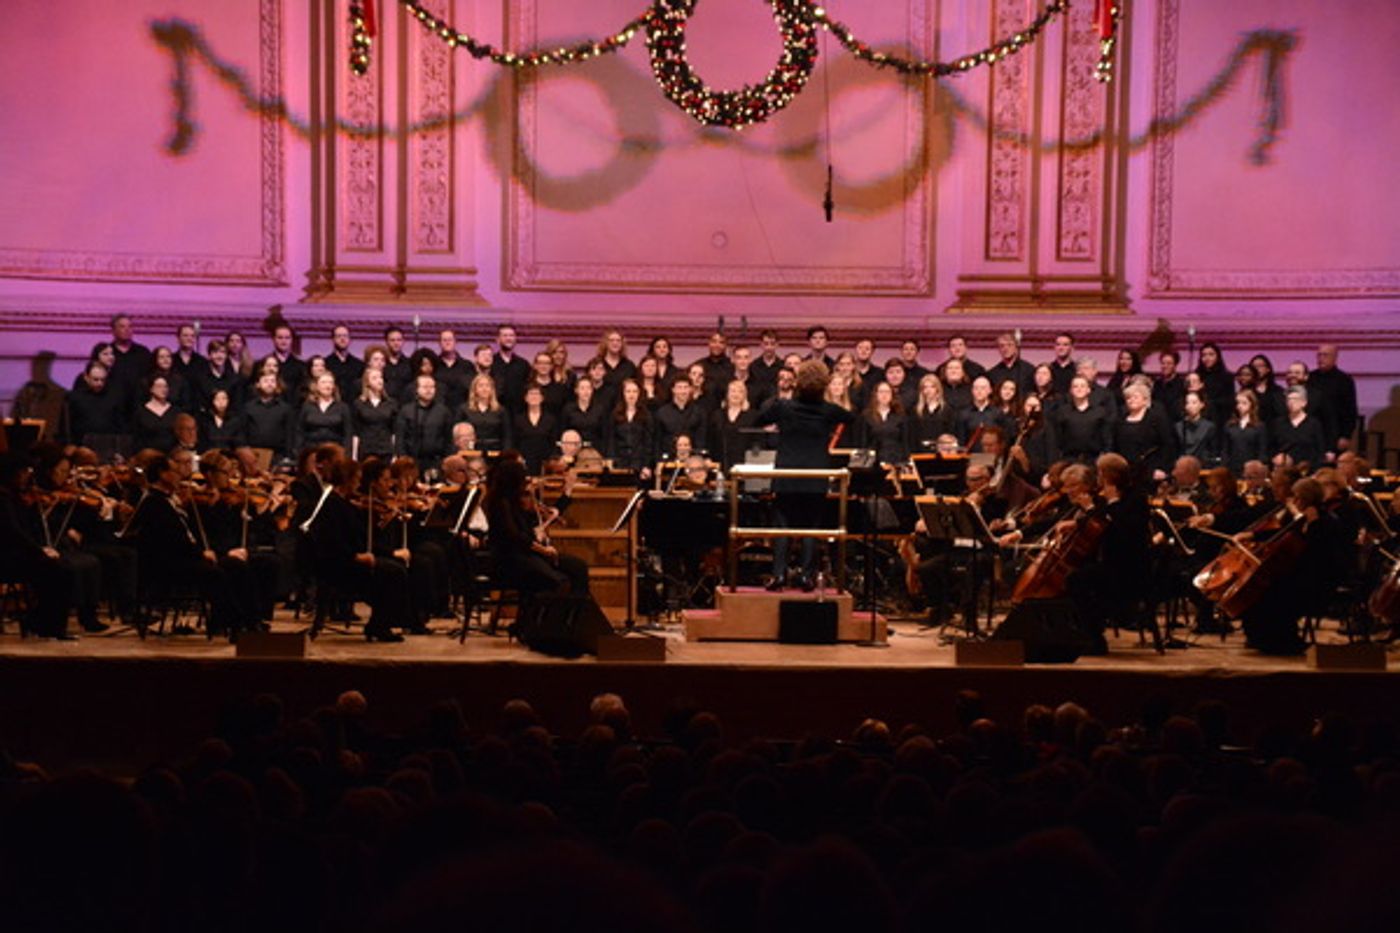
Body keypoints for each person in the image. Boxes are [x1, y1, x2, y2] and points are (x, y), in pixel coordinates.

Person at [753, 360, 855, 591]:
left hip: (788, 473)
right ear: (824, 384)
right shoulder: (828, 410)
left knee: (782, 526)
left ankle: (779, 575)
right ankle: (806, 576)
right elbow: (850, 418)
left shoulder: (784, 407)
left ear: (798, 382)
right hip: (814, 475)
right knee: (811, 527)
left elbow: (759, 419)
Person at [1239, 477, 1348, 655]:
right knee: (1266, 589)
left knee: (1276, 592)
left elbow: (1319, 550)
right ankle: (1264, 638)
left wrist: (1313, 523)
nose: (1294, 501)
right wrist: (1252, 535)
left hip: (1319, 580)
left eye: (1297, 498)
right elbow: (1281, 534)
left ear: (1306, 499)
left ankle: (1283, 640)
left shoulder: (1325, 520)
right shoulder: (1302, 519)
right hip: (1300, 576)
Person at [304, 457, 408, 642]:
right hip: (338, 565)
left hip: (348, 559)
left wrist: (385, 547)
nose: (360, 482)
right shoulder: (333, 505)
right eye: (357, 478)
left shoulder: (343, 503)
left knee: (394, 567)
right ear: (347, 479)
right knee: (394, 572)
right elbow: (332, 543)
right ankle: (380, 626)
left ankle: (381, 623)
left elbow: (360, 538)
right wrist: (357, 556)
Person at [483, 456, 589, 597]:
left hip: (528, 553)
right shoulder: (500, 503)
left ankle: (574, 616)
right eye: (523, 478)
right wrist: (544, 551)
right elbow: (516, 538)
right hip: (510, 560)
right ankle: (537, 618)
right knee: (558, 582)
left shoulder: (516, 501)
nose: (527, 482)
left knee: (578, 567)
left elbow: (530, 527)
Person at [395, 374, 453, 471]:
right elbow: (400, 438)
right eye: (425, 387)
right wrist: (403, 459)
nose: (429, 390)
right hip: (411, 462)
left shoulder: (443, 411)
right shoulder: (406, 411)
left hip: (437, 461)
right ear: (417, 389)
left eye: (432, 387)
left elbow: (448, 439)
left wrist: (446, 460)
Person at [1307, 343, 1358, 453]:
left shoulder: (1344, 380)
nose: (1321, 359)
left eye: (1325, 355)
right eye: (1319, 355)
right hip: (1312, 433)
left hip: (1334, 433)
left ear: (1335, 357)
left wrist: (1346, 435)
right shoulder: (1310, 378)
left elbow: (1350, 410)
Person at [66, 361, 125, 446]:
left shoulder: (115, 397)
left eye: (103, 380)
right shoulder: (75, 397)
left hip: (107, 445)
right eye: (95, 379)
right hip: (81, 446)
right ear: (86, 378)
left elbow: (120, 425)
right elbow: (67, 425)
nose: (99, 383)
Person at [1270, 386, 1329, 469]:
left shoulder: (1314, 424)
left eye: (1295, 399)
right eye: (1289, 399)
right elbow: (1272, 447)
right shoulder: (1278, 423)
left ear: (1304, 403)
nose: (1291, 402)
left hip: (1308, 469)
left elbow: (1320, 451)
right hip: (1284, 470)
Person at [244, 369, 295, 462]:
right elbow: (243, 432)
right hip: (254, 454)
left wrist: (287, 457)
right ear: (258, 384)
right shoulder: (248, 407)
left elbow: (289, 434)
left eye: (272, 381)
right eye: (266, 381)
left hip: (278, 455)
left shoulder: (285, 408)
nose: (269, 384)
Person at [607, 379, 654, 478]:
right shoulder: (615, 414)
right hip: (619, 462)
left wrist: (646, 465)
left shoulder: (646, 415)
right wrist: (610, 459)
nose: (631, 395)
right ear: (623, 393)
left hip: (639, 463)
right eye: (628, 391)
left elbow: (648, 442)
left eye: (634, 391)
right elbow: (611, 439)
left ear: (639, 393)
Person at [296, 372, 353, 454]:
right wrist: (299, 452)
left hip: (335, 451)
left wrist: (346, 453)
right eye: (324, 382)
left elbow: (348, 433)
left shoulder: (343, 407)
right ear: (317, 386)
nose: (327, 386)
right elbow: (300, 431)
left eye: (330, 382)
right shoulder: (307, 406)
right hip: (311, 450)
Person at [709, 380, 758, 471]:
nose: (736, 394)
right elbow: (711, 439)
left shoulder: (753, 416)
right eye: (733, 391)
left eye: (740, 391)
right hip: (720, 463)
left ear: (745, 395)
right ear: (727, 394)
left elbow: (757, 440)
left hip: (744, 464)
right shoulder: (717, 415)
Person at [352, 367, 398, 461]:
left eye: (381, 377)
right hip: (366, 450)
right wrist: (354, 455)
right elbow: (356, 432)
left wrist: (395, 454)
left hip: (386, 450)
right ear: (367, 382)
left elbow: (394, 431)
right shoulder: (359, 404)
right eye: (375, 378)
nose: (379, 381)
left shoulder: (391, 403)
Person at [655, 376, 706, 459]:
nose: (683, 391)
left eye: (686, 387)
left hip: (693, 462)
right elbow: (658, 440)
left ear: (690, 389)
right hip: (668, 461)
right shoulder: (662, 412)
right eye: (679, 387)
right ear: (673, 390)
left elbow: (701, 439)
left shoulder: (699, 412)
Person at [858, 381, 909, 465]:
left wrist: (907, 461)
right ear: (875, 394)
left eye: (887, 392)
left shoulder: (900, 415)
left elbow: (905, 441)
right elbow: (863, 442)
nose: (884, 395)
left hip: (896, 460)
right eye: (881, 392)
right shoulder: (866, 415)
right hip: (874, 461)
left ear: (892, 395)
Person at [460, 373, 511, 453]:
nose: (484, 389)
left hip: (496, 452)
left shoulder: (501, 410)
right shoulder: (464, 409)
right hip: (472, 451)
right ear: (475, 389)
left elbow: (507, 436)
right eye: (481, 386)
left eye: (487, 386)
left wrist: (505, 454)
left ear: (492, 389)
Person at [513, 385, 559, 474]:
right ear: (525, 398)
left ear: (542, 398)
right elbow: (515, 441)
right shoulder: (518, 419)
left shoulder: (551, 419)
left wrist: (551, 460)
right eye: (531, 394)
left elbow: (554, 441)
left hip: (545, 462)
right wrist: (518, 458)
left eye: (537, 394)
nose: (534, 397)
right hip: (524, 462)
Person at [909, 374, 959, 453]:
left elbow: (951, 434)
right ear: (922, 390)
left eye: (932, 387)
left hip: (942, 454)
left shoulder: (947, 410)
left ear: (938, 389)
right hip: (921, 453)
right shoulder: (916, 411)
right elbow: (912, 436)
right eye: (925, 387)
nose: (928, 390)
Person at [133, 374, 179, 453]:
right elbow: (137, 439)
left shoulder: (175, 411)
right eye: (159, 386)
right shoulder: (141, 412)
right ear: (151, 389)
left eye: (166, 386)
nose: (163, 389)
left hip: (172, 456)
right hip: (149, 457)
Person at [561, 375, 607, 450]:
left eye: (588, 388)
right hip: (573, 450)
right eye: (582, 388)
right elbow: (563, 432)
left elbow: (605, 433)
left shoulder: (600, 409)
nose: (586, 391)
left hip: (595, 450)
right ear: (576, 390)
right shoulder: (568, 409)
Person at [1175, 390, 1218, 464]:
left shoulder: (1209, 427)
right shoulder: (1179, 427)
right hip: (1184, 465)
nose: (1190, 406)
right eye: (1187, 403)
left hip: (1203, 465)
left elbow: (1212, 451)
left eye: (1194, 403)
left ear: (1201, 405)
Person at [986, 332, 1036, 396]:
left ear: (1016, 348)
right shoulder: (992, 374)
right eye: (1002, 346)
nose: (1005, 348)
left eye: (1009, 345)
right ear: (998, 349)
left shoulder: (1029, 370)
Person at [325, 324, 366, 401]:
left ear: (350, 339)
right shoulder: (326, 364)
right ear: (333, 339)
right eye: (339, 336)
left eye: (345, 336)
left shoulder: (359, 365)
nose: (342, 339)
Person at [199, 387, 247, 452]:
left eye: (224, 398)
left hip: (229, 457)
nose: (221, 402)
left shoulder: (235, 421)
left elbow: (240, 443)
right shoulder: (205, 420)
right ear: (212, 401)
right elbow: (202, 443)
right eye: (217, 399)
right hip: (209, 456)